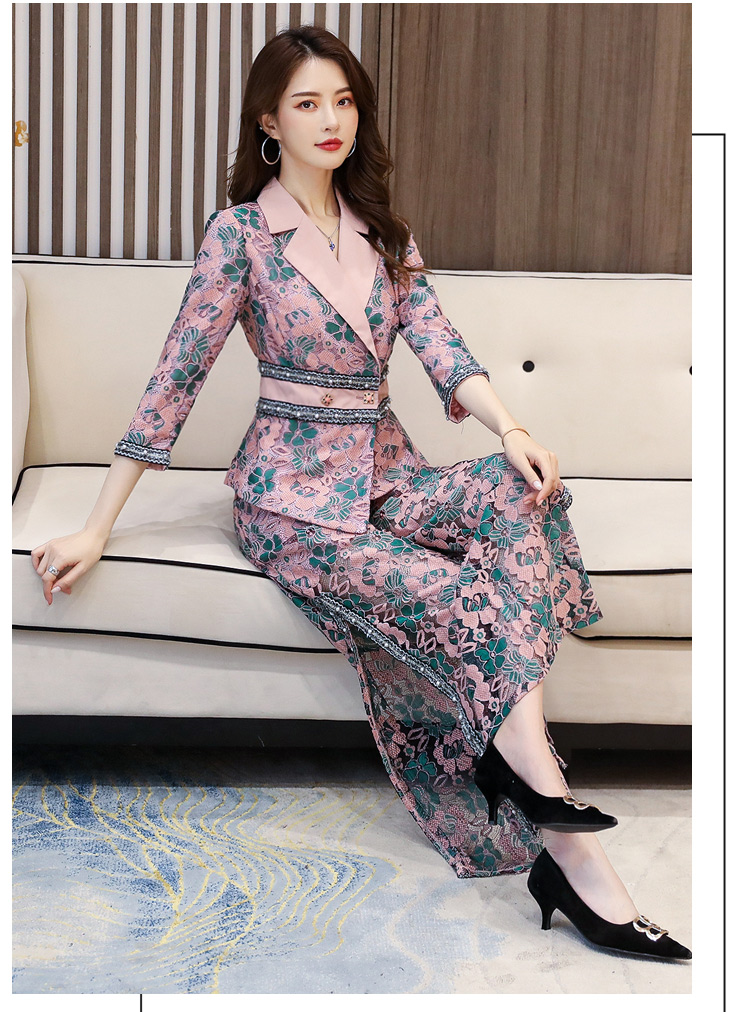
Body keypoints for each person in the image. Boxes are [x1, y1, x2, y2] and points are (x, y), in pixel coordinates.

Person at [29, 25, 690, 961]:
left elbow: (442, 345)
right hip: (292, 500)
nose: (330, 119)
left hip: (388, 472)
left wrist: (511, 430)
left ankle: (521, 773)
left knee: (521, 492)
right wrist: (99, 527)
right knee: (459, 595)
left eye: (342, 100)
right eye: (306, 103)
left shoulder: (385, 232)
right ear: (269, 122)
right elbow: (174, 379)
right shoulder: (240, 235)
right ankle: (569, 844)